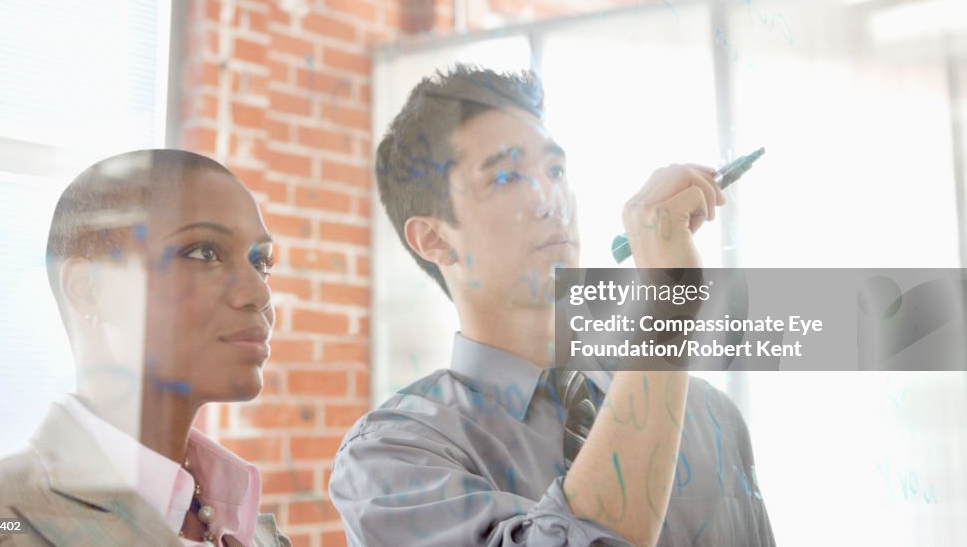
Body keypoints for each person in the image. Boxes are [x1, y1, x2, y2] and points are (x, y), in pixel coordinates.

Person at [329, 66, 776, 546]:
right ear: (435, 238)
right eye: (506, 177)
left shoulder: (709, 414)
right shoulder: (392, 456)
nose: (551, 202)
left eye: (556, 170)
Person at [0, 149, 290, 546]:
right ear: (89, 289)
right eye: (203, 252)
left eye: (261, 261)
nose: (259, 293)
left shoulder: (260, 534)